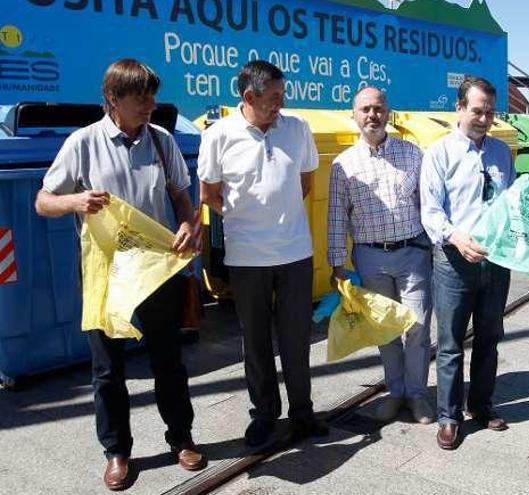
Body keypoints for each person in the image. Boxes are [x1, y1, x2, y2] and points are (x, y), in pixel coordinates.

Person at [34, 59, 206, 491]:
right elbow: (42, 201)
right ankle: (117, 452)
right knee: (107, 369)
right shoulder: (83, 143)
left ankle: (181, 438)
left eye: (152, 95)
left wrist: (189, 224)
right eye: (139, 97)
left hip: (155, 270)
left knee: (169, 360)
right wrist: (74, 203)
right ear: (113, 98)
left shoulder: (163, 141)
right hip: (106, 274)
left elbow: (181, 197)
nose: (150, 105)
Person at [198, 60, 327, 448]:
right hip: (246, 258)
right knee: (255, 343)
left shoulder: (297, 129)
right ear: (248, 96)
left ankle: (302, 414)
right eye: (274, 98)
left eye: (283, 96)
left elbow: (304, 182)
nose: (280, 104)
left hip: (294, 253)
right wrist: (246, 219)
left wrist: (278, 216)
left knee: (295, 339)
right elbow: (209, 195)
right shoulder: (219, 135)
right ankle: (264, 414)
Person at [327, 87, 434, 424]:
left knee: (417, 325)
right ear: (354, 115)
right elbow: (336, 217)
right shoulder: (343, 166)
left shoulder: (413, 154)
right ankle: (396, 391)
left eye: (378, 108)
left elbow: (428, 205)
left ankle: (417, 395)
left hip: (412, 253)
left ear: (388, 112)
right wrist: (337, 264)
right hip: (370, 258)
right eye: (365, 109)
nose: (372, 115)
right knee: (385, 328)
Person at [421, 75, 515, 450]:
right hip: (453, 261)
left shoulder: (501, 153)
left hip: (495, 262)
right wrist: (458, 238)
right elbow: (429, 212)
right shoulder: (439, 153)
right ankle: (448, 416)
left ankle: (480, 404)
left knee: (490, 338)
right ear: (459, 108)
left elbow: (507, 203)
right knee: (450, 343)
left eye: (490, 112)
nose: (484, 119)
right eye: (477, 111)